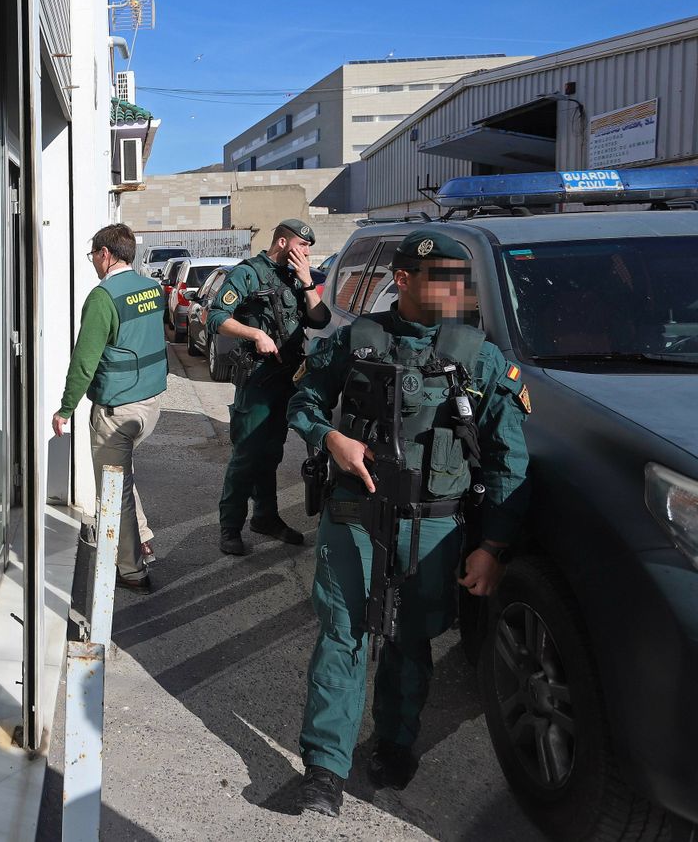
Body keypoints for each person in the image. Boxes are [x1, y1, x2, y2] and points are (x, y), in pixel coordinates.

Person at [286, 229, 530, 817]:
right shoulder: (357, 339)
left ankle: (396, 744)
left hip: (436, 522)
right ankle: (324, 767)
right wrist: (331, 440)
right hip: (356, 511)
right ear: (402, 280)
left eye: (459, 282)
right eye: (442, 281)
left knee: (409, 637)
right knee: (343, 632)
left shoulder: (478, 355)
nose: (455, 292)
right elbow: (304, 402)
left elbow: (508, 458)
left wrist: (493, 545)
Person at [51, 223, 169, 592]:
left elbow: (84, 361)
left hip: (117, 410)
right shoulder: (152, 288)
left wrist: (65, 408)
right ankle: (142, 536)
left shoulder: (104, 297)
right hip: (150, 403)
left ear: (105, 254)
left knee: (113, 490)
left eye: (93, 256)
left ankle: (133, 571)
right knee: (123, 474)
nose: (93, 264)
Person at [208, 218, 331, 556]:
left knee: (271, 453)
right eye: (302, 246)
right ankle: (230, 527)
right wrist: (257, 334)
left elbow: (320, 320)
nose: (307, 252)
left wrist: (307, 283)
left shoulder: (296, 277)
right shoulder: (249, 273)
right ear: (282, 242)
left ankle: (265, 517)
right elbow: (216, 316)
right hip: (259, 377)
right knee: (247, 455)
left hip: (288, 378)